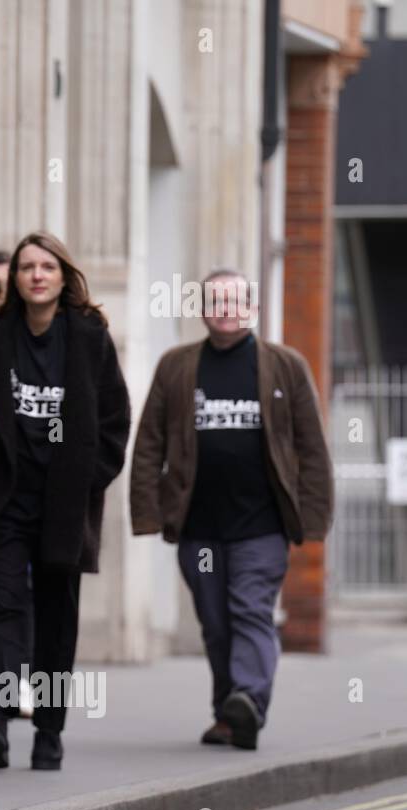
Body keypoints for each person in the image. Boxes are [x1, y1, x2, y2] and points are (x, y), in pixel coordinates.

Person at [130, 269, 333, 750]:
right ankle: (231, 712)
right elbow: (149, 444)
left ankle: (250, 697)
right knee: (216, 624)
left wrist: (313, 516)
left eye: (235, 300)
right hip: (198, 525)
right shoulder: (177, 366)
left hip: (262, 526)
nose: (225, 308)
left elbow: (312, 446)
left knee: (250, 611)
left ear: (252, 309)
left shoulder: (285, 365)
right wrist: (148, 513)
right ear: (203, 309)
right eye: (215, 300)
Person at [0, 231, 130, 771]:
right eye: (26, 267)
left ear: (63, 276)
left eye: (46, 267)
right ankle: (0, 721)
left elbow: (114, 421)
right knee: (1, 609)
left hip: (63, 504)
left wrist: (87, 481)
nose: (35, 275)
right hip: (4, 500)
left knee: (57, 619)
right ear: (15, 279)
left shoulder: (88, 336)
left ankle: (50, 731)